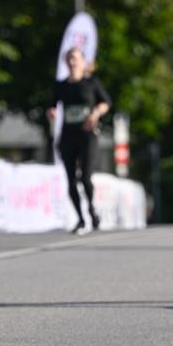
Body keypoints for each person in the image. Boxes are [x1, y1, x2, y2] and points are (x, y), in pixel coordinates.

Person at [47, 47, 110, 234]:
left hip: (87, 135)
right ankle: (81, 219)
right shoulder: (61, 85)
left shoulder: (91, 83)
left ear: (83, 62)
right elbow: (51, 104)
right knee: (70, 179)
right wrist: (51, 111)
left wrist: (96, 113)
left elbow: (105, 102)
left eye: (75, 58)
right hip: (68, 135)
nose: (72, 62)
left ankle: (91, 209)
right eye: (69, 59)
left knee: (85, 177)